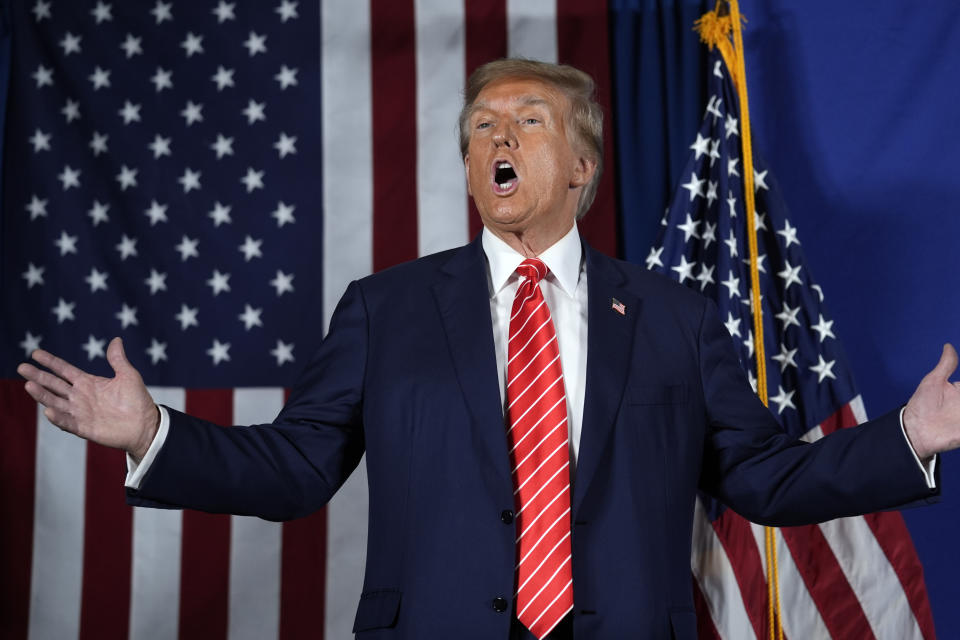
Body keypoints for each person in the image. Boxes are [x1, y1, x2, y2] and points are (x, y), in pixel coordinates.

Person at [17, 59, 960, 640]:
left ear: (582, 170)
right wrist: (155, 434)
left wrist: (905, 437)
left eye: (526, 122)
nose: (497, 136)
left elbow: (761, 478)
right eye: (481, 128)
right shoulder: (385, 310)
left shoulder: (675, 315)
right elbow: (296, 468)